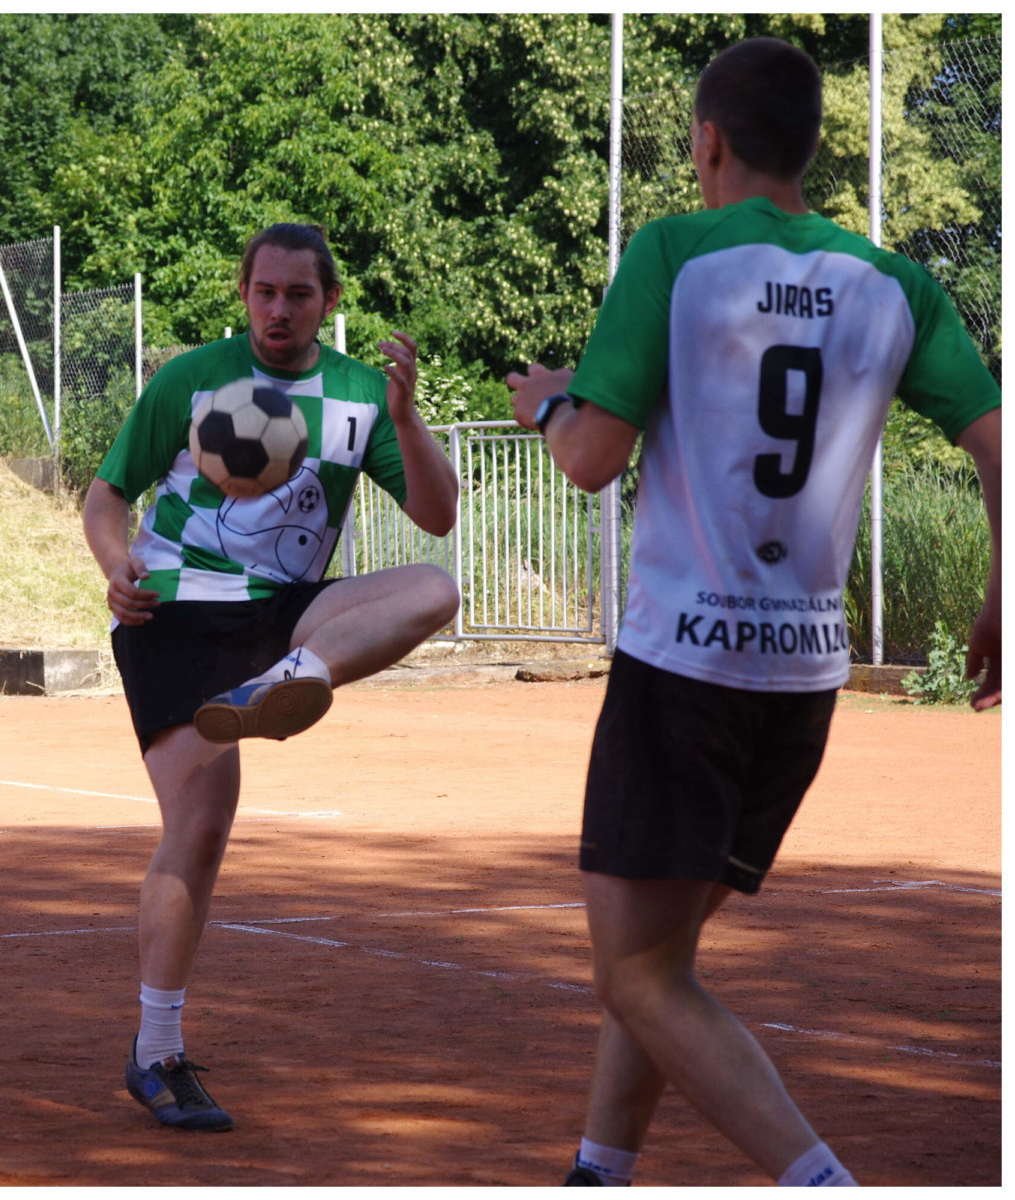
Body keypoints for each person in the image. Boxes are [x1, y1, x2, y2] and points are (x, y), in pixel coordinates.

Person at [508, 37, 1000, 1188]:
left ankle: (819, 1180)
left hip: (684, 667)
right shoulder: (895, 284)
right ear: (811, 149)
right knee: (664, 956)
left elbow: (588, 458)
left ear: (708, 142)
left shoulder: (675, 253)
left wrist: (547, 404)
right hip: (804, 679)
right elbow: (999, 441)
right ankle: (599, 1168)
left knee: (635, 973)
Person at [84, 222, 460, 1131]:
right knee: (201, 827)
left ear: (330, 301)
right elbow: (106, 496)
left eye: (298, 294)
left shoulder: (363, 395)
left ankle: (290, 679)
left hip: (284, 613)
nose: (279, 310)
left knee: (435, 588)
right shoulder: (191, 379)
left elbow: (438, 515)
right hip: (176, 612)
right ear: (244, 294)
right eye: (264, 292)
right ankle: (155, 1054)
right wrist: (114, 564)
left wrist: (408, 419)